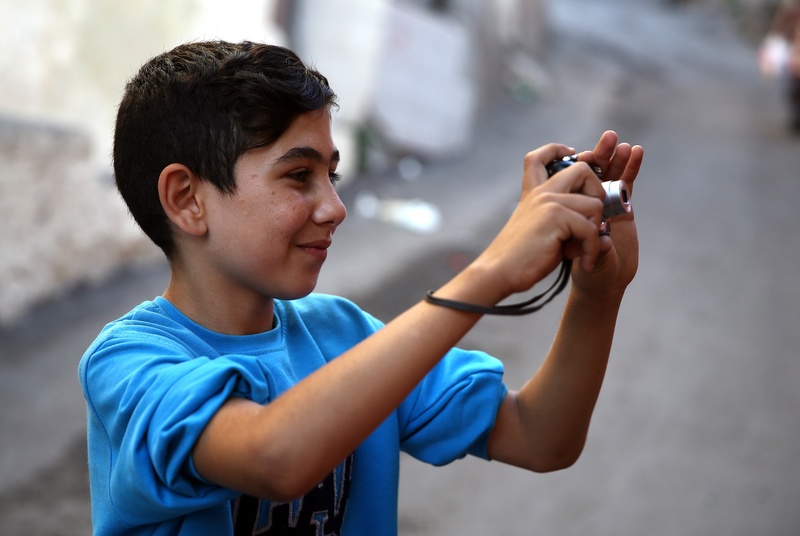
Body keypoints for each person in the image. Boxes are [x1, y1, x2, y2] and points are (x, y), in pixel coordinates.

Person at [79, 40, 643, 535]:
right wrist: (493, 269)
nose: (335, 207)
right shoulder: (129, 364)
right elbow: (274, 457)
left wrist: (598, 295)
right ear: (186, 199)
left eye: (332, 175)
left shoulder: (343, 333)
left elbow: (539, 437)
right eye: (298, 176)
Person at [762, 0, 800, 130]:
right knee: (793, 86)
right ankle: (795, 116)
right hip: (794, 56)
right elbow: (780, 26)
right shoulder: (792, 10)